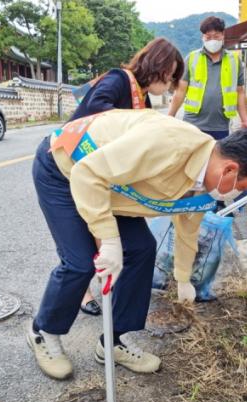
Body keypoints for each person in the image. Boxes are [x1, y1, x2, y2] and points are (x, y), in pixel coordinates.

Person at [27, 109, 247, 380]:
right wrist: (108, 239)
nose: (237, 194)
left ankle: (113, 341)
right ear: (230, 169)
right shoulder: (167, 145)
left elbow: (187, 227)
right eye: (242, 187)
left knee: (141, 249)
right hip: (65, 170)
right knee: (80, 262)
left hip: (112, 187)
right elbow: (87, 174)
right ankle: (43, 332)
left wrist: (183, 278)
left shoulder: (205, 181)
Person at [68, 37, 184, 316]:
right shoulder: (118, 79)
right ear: (159, 66)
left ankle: (112, 299)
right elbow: (98, 108)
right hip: (77, 165)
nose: (170, 84)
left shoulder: (143, 97)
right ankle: (83, 293)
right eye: (170, 76)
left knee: (118, 238)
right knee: (80, 239)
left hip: (105, 173)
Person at [168, 16, 247, 140]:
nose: (212, 40)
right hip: (193, 123)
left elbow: (239, 92)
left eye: (216, 36)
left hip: (221, 125)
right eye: (208, 37)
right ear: (202, 37)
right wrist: (170, 117)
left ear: (223, 35)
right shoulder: (192, 58)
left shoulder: (234, 60)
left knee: (217, 153)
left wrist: (245, 120)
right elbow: (180, 91)